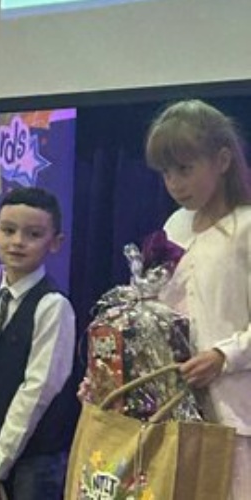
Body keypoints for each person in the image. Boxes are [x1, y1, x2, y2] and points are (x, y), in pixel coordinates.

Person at [145, 99, 251, 499]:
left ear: (222, 160)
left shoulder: (246, 227)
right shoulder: (175, 225)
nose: (174, 183)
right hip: (178, 408)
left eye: (185, 169)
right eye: (166, 172)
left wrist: (224, 356)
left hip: (237, 414)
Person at [0, 187, 78, 499]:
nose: (18, 241)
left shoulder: (53, 306)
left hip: (36, 462)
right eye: (8, 230)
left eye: (33, 234)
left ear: (55, 242)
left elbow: (38, 389)